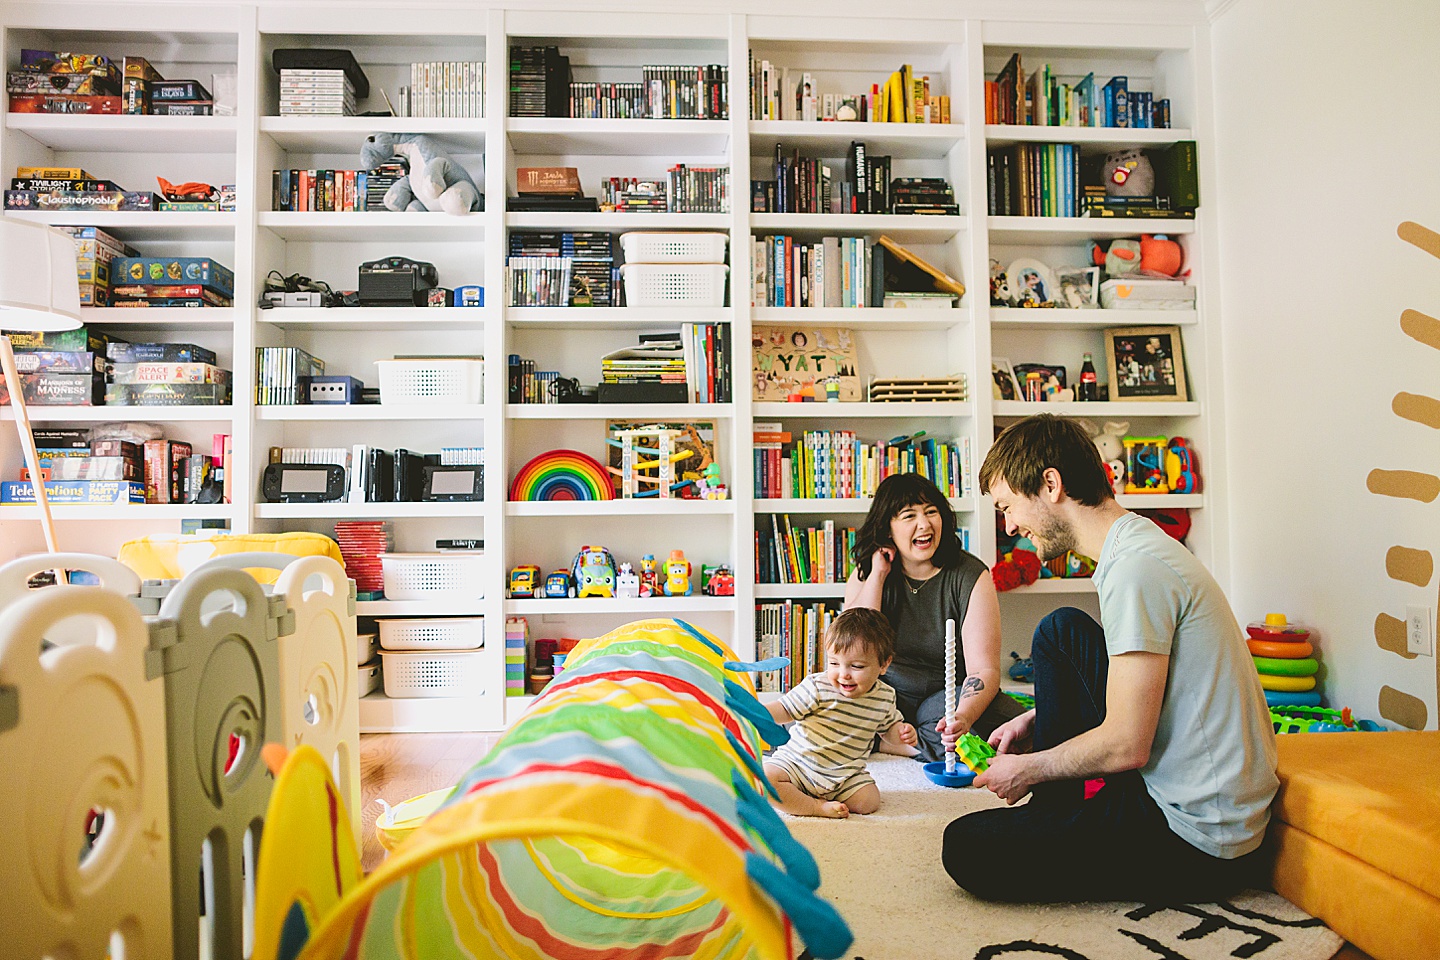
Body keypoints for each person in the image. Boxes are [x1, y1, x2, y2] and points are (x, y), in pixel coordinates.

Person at [943, 414, 1278, 904]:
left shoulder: (1136, 570)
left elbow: (1127, 746)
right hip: (1178, 789)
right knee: (1061, 631)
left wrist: (1030, 767)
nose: (1010, 525)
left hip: (1200, 836)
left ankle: (1054, 816)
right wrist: (1040, 718)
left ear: (1050, 485)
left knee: (965, 848)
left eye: (1008, 506)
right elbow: (1146, 685)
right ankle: (1054, 815)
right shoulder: (1132, 546)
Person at [845, 473, 1023, 762]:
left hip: (947, 694)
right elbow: (852, 648)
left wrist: (962, 719)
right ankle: (898, 741)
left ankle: (886, 743)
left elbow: (984, 671)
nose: (924, 524)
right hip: (882, 693)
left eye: (931, 512)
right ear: (887, 528)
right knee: (811, 716)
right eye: (908, 515)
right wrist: (877, 575)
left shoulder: (970, 575)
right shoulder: (870, 570)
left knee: (1019, 732)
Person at [764, 608, 918, 818]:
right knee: (766, 781)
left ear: (884, 664)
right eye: (834, 663)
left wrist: (901, 733)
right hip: (798, 765)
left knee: (869, 802)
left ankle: (814, 797)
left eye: (856, 666)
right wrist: (759, 712)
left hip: (844, 774)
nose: (843, 674)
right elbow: (785, 709)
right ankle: (814, 807)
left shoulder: (885, 696)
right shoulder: (817, 686)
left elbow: (888, 730)